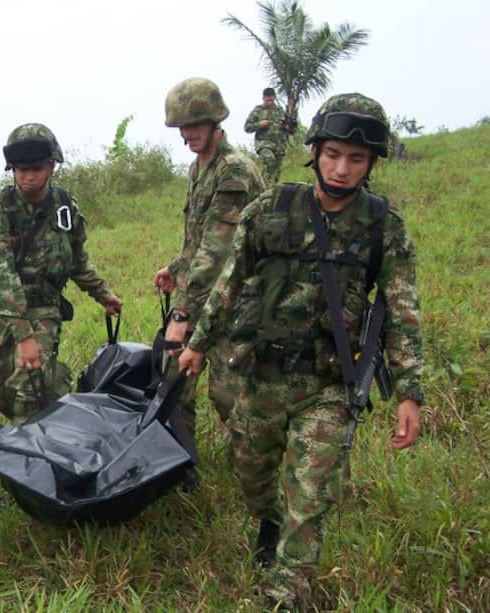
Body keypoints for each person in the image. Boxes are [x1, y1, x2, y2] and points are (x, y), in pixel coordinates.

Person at [178, 93, 424, 609]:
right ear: (314, 150)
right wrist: (197, 344)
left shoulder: (384, 226)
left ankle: (285, 593)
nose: (342, 168)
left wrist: (409, 393)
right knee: (250, 471)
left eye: (357, 159)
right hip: (262, 374)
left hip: (331, 383)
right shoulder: (270, 209)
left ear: (373, 162)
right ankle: (268, 523)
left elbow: (401, 313)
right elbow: (228, 281)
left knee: (310, 494)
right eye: (333, 154)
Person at [0, 123, 122, 422]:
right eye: (20, 169)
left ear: (52, 165)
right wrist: (20, 333)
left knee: (29, 391)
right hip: (0, 313)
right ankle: (50, 412)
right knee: (0, 389)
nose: (28, 177)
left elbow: (77, 258)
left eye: (36, 168)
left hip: (42, 308)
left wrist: (102, 294)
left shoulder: (65, 208)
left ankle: (33, 456)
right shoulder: (0, 211)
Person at [153, 77, 264, 441]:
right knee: (173, 381)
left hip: (235, 299)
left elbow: (219, 252)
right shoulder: (198, 167)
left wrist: (181, 315)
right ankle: (180, 465)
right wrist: (175, 267)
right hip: (200, 291)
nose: (188, 133)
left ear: (216, 121)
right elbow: (199, 241)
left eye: (196, 124)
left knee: (227, 394)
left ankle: (254, 463)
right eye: (182, 126)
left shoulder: (233, 170)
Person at [244, 87, 291, 185]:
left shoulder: (280, 110)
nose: (269, 102)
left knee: (276, 174)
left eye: (271, 100)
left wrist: (288, 126)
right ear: (263, 98)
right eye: (267, 100)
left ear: (274, 98)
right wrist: (259, 125)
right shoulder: (258, 110)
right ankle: (262, 186)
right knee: (269, 160)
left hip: (279, 145)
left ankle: (270, 189)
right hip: (264, 143)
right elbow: (247, 127)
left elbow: (288, 128)